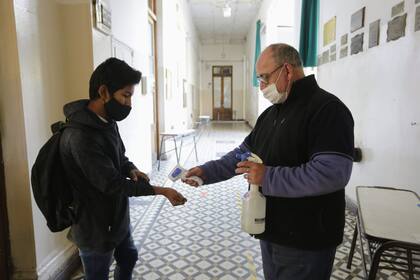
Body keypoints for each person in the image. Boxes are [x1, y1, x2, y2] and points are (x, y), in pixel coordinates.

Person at [182, 44, 354, 280]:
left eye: (264, 77)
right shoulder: (272, 114)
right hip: (271, 230)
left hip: (307, 240)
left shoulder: (327, 110)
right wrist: (206, 171)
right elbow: (242, 155)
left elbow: (331, 174)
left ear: (287, 70)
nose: (261, 86)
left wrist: (267, 176)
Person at [60, 58, 187, 280]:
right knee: (98, 274)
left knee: (128, 257)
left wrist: (131, 170)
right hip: (94, 226)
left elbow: (120, 157)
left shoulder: (107, 122)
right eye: (126, 96)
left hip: (116, 216)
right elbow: (111, 184)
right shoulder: (80, 136)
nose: (129, 104)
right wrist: (162, 191)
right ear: (103, 92)